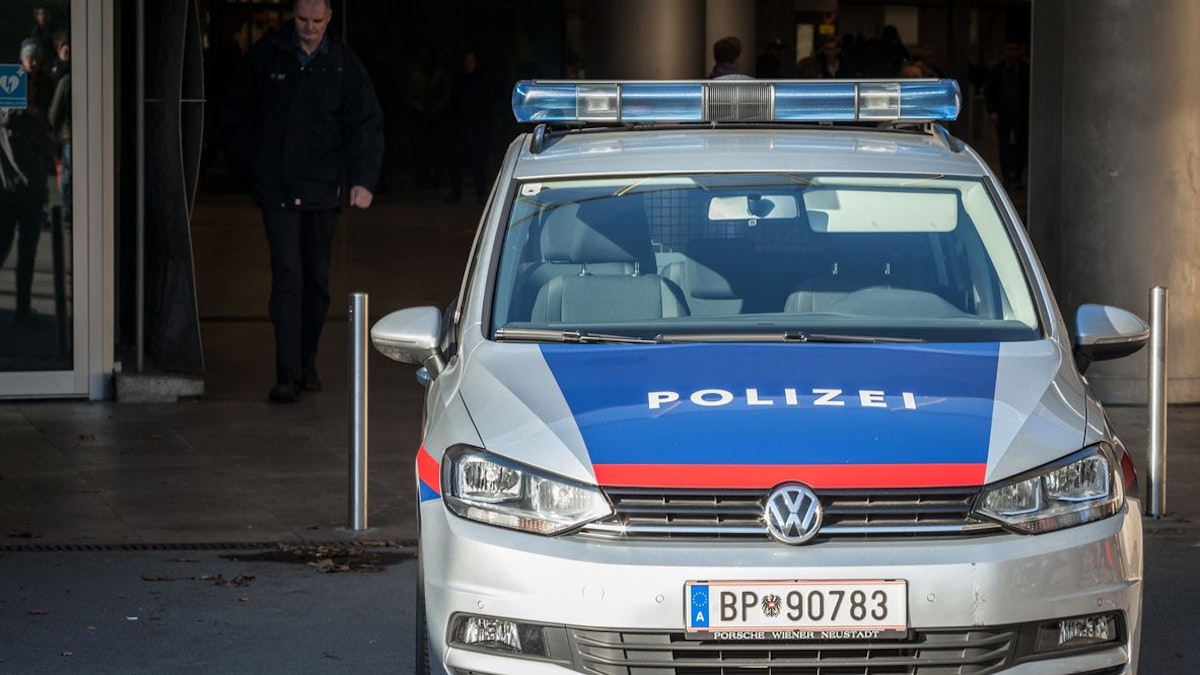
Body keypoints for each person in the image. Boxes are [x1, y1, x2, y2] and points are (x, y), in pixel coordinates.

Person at [220, 0, 385, 403]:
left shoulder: (344, 65)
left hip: (321, 190)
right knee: (287, 276)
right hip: (277, 189)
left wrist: (362, 180)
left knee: (316, 282)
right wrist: (254, 163)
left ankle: (307, 363)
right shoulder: (268, 55)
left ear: (329, 20)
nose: (308, 27)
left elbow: (365, 124)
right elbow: (236, 111)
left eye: (316, 21)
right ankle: (288, 373)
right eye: (301, 19)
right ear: (292, 16)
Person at [0, 38, 55, 324]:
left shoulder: (1, 120)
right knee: (26, 254)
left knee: (1, 248)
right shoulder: (32, 121)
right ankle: (22, 308)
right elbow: (48, 148)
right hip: (30, 193)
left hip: (5, 191)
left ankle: (20, 307)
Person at [445, 50, 492, 205]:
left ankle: (481, 193)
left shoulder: (482, 81)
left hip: (477, 128)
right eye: (466, 62)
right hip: (461, 127)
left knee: (478, 161)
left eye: (471, 62)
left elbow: (487, 104)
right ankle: (457, 192)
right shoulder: (458, 80)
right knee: (456, 161)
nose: (468, 65)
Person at [985, 42, 1031, 190]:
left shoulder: (1025, 69)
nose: (1011, 53)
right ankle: (1006, 177)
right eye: (1008, 49)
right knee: (1003, 145)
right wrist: (992, 111)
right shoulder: (997, 70)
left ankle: (1017, 177)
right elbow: (989, 91)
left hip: (1020, 113)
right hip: (1002, 113)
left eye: (1014, 49)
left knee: (1021, 144)